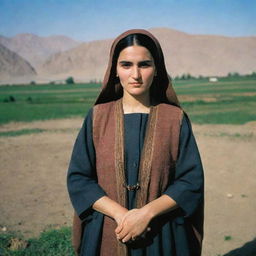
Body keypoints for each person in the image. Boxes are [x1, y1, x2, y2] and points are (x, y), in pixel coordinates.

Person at [67, 29, 204, 256]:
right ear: (115, 70)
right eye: (126, 65)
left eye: (145, 64)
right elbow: (79, 178)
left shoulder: (175, 119)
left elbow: (190, 180)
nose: (136, 75)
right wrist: (122, 214)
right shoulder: (97, 118)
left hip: (162, 235)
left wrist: (146, 214)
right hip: (108, 233)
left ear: (157, 69)